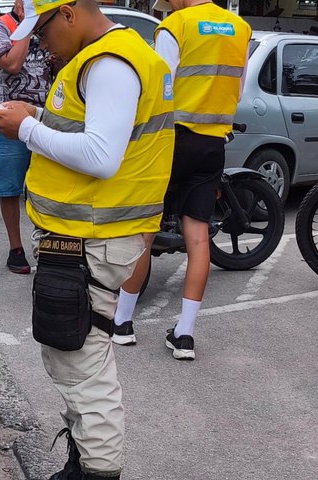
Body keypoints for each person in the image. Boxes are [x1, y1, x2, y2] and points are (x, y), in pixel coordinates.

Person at [0, 0, 174, 477]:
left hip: (93, 239)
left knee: (84, 370)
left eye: (42, 31)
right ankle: (85, 461)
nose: (39, 45)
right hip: (86, 236)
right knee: (74, 356)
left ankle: (97, 470)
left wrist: (25, 128)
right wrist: (40, 115)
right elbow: (93, 130)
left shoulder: (109, 64)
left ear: (68, 14)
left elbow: (101, 155)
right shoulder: (107, 57)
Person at [112, 0, 250, 359]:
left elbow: (160, 86)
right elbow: (238, 90)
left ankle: (122, 323)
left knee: (145, 226)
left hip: (172, 139)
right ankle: (185, 335)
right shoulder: (239, 27)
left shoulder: (177, 25)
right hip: (212, 142)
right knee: (198, 236)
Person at [0, 0, 50, 274]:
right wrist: (27, 25)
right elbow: (11, 64)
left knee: (46, 185)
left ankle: (48, 246)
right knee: (9, 187)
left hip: (44, 115)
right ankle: (16, 248)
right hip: (6, 117)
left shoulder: (49, 25)